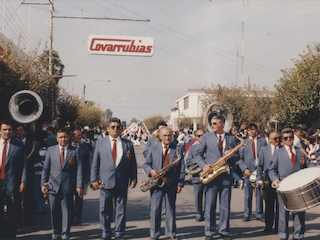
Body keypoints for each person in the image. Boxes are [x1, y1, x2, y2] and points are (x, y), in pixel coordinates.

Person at [91, 118, 137, 240]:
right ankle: (106, 232)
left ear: (121, 129)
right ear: (107, 129)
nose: (115, 129)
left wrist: (134, 178)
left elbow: (133, 163)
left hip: (121, 181)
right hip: (105, 182)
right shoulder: (101, 143)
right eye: (113, 127)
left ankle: (119, 233)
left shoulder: (127, 143)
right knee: (104, 209)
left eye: (118, 127)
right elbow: (95, 162)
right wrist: (93, 179)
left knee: (121, 210)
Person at [196, 115, 239, 240]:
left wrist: (231, 156)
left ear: (222, 124)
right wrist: (204, 166)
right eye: (211, 123)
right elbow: (198, 154)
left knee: (225, 206)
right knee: (210, 205)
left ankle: (224, 232)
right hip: (212, 174)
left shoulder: (231, 138)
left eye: (214, 123)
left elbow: (238, 156)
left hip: (226, 175)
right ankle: (209, 232)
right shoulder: (206, 137)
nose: (212, 125)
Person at [269, 128, 315, 240]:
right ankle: (283, 235)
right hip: (284, 186)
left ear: (293, 138)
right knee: (283, 213)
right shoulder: (278, 153)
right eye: (286, 138)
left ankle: (298, 235)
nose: (289, 139)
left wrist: (315, 172)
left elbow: (309, 164)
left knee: (299, 212)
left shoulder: (300, 151)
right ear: (282, 140)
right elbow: (272, 170)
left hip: (299, 186)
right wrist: (275, 179)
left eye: (290, 137)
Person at [143, 127, 185, 240]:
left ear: (172, 136)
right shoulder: (153, 148)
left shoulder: (177, 149)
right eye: (165, 136)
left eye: (169, 135)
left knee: (170, 210)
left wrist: (180, 183)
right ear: (160, 137)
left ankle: (171, 234)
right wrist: (151, 171)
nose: (167, 138)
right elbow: (146, 165)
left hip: (171, 184)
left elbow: (182, 167)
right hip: (157, 184)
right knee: (155, 210)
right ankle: (154, 234)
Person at [41, 128, 83, 240]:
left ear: (68, 137)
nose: (63, 139)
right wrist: (43, 184)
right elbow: (45, 169)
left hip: (68, 186)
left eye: (65, 137)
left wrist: (79, 186)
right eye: (60, 137)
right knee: (54, 210)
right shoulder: (51, 150)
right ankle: (56, 232)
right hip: (53, 186)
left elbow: (79, 170)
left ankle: (65, 233)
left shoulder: (74, 151)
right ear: (56, 138)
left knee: (67, 211)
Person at [0, 119, 27, 239]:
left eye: (9, 129)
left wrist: (23, 181)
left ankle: (10, 236)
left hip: (13, 183)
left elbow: (24, 164)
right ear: (0, 131)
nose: (7, 132)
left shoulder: (19, 145)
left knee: (13, 211)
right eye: (5, 129)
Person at [238, 123, 267, 222]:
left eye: (253, 129)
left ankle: (259, 214)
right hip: (248, 171)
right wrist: (244, 169)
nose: (251, 131)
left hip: (259, 171)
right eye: (249, 130)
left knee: (259, 193)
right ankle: (247, 214)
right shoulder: (245, 142)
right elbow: (240, 158)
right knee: (248, 194)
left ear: (257, 130)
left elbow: (266, 155)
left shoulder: (262, 141)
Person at [16, 124, 41, 224]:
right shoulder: (13, 142)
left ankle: (28, 219)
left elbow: (38, 158)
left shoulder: (31, 143)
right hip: (16, 173)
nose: (18, 132)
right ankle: (17, 219)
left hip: (29, 173)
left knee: (28, 197)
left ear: (26, 132)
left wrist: (31, 160)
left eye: (21, 130)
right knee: (16, 197)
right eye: (17, 130)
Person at [256, 130, 281, 233]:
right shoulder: (263, 150)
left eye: (279, 138)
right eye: (275, 139)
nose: (277, 140)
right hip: (268, 182)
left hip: (280, 181)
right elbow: (260, 166)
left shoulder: (282, 150)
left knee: (279, 205)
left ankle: (278, 227)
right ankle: (268, 225)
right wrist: (258, 179)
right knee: (269, 204)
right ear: (270, 139)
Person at [69, 129, 90, 224]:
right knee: (68, 198)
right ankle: (68, 217)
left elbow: (87, 164)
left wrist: (86, 177)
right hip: (69, 177)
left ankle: (77, 217)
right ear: (72, 137)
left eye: (80, 135)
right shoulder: (67, 147)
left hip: (80, 177)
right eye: (77, 135)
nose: (80, 137)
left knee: (79, 198)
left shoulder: (84, 148)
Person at [185, 129, 205, 222]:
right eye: (199, 136)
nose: (201, 137)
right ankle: (198, 214)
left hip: (210, 175)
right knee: (198, 196)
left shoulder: (211, 147)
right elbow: (188, 161)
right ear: (196, 137)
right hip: (197, 175)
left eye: (203, 135)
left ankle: (207, 213)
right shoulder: (192, 148)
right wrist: (198, 159)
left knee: (209, 196)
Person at [34, 135, 48, 214]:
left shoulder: (46, 150)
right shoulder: (33, 151)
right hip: (35, 173)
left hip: (44, 174)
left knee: (45, 191)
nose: (36, 143)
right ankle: (41, 208)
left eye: (37, 141)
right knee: (37, 192)